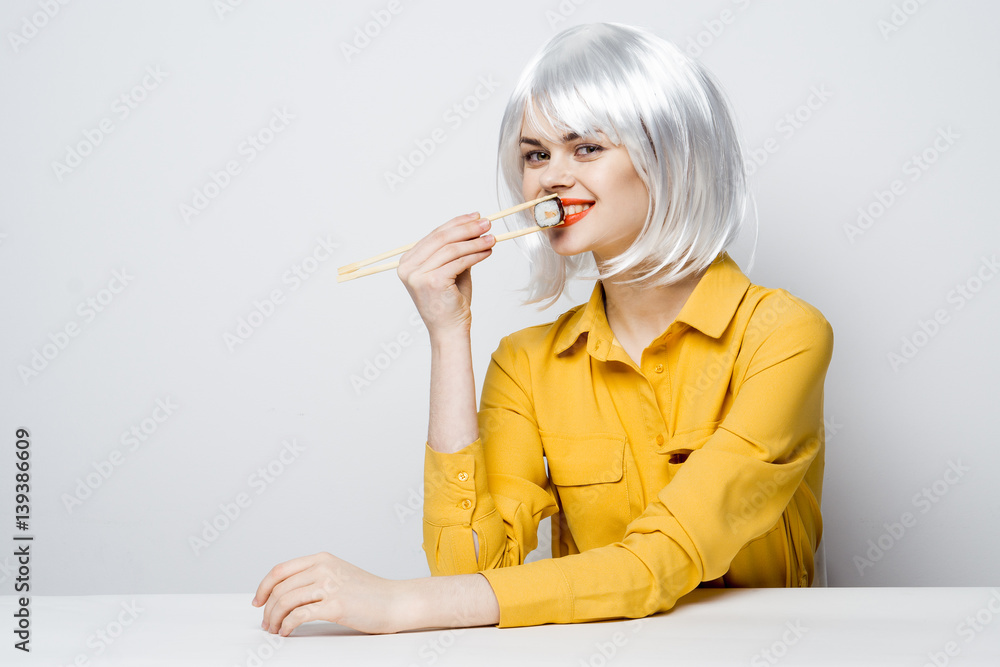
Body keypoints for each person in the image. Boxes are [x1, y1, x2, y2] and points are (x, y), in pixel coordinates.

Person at [252, 22, 834, 635]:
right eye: (536, 154)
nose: (550, 177)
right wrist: (448, 334)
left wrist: (401, 604)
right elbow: (469, 570)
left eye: (586, 148)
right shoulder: (526, 364)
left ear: (671, 156)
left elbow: (660, 562)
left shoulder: (784, 336)